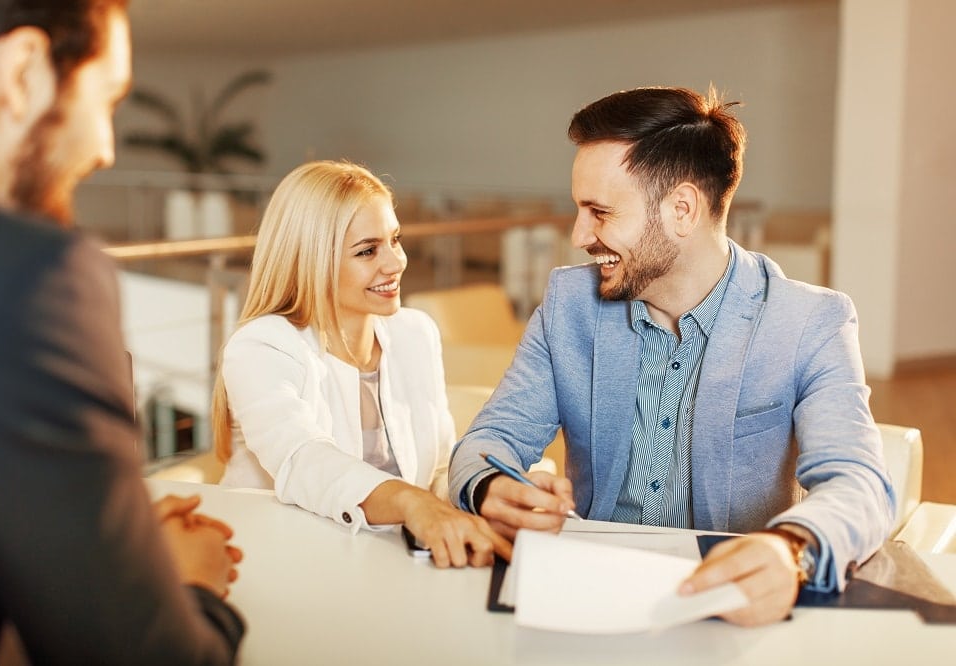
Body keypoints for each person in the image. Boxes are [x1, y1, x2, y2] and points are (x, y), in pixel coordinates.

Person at [448, 86, 895, 626]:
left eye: (600, 212)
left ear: (682, 209)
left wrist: (790, 550)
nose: (578, 235)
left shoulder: (808, 322)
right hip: (587, 597)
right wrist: (493, 488)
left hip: (729, 611)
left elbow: (861, 483)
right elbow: (488, 440)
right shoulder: (569, 305)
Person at [0, 1, 244, 662]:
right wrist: (194, 584)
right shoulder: (28, 277)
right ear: (22, 71)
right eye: (108, 98)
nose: (106, 149)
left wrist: (105, 543)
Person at [212, 160, 511, 568]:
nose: (395, 263)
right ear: (311, 259)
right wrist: (411, 502)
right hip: (279, 565)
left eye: (395, 239)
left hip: (388, 568)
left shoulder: (415, 334)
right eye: (368, 251)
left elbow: (439, 468)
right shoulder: (262, 347)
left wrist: (486, 499)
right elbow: (304, 461)